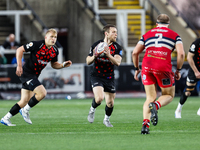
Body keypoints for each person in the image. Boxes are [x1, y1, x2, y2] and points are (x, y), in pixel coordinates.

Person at [1, 28, 72, 126]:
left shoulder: (55, 50)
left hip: (34, 75)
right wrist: (19, 65)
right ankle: (25, 111)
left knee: (24, 101)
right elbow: (19, 49)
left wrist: (63, 65)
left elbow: (54, 64)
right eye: (51, 36)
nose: (53, 39)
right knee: (42, 93)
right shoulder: (37, 44)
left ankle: (6, 118)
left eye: (55, 37)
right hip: (26, 73)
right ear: (46, 37)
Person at [132, 14, 185, 134]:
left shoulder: (146, 34)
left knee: (149, 97)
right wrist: (178, 70)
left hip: (147, 66)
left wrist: (136, 68)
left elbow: (135, 52)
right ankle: (156, 105)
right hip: (163, 68)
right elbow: (181, 54)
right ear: (168, 24)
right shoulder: (175, 35)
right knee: (169, 95)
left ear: (156, 24)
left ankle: (145, 125)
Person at [86, 24, 122, 127]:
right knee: (99, 99)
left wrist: (108, 55)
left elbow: (117, 62)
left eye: (116, 32)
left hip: (109, 77)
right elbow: (88, 61)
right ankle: (92, 110)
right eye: (113, 32)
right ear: (106, 33)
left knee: (110, 103)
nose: (116, 34)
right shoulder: (96, 45)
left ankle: (106, 120)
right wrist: (94, 56)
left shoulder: (117, 47)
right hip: (96, 75)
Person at [175, 38, 200, 118]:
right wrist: (196, 71)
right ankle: (178, 109)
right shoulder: (196, 43)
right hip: (194, 69)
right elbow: (189, 57)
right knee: (188, 91)